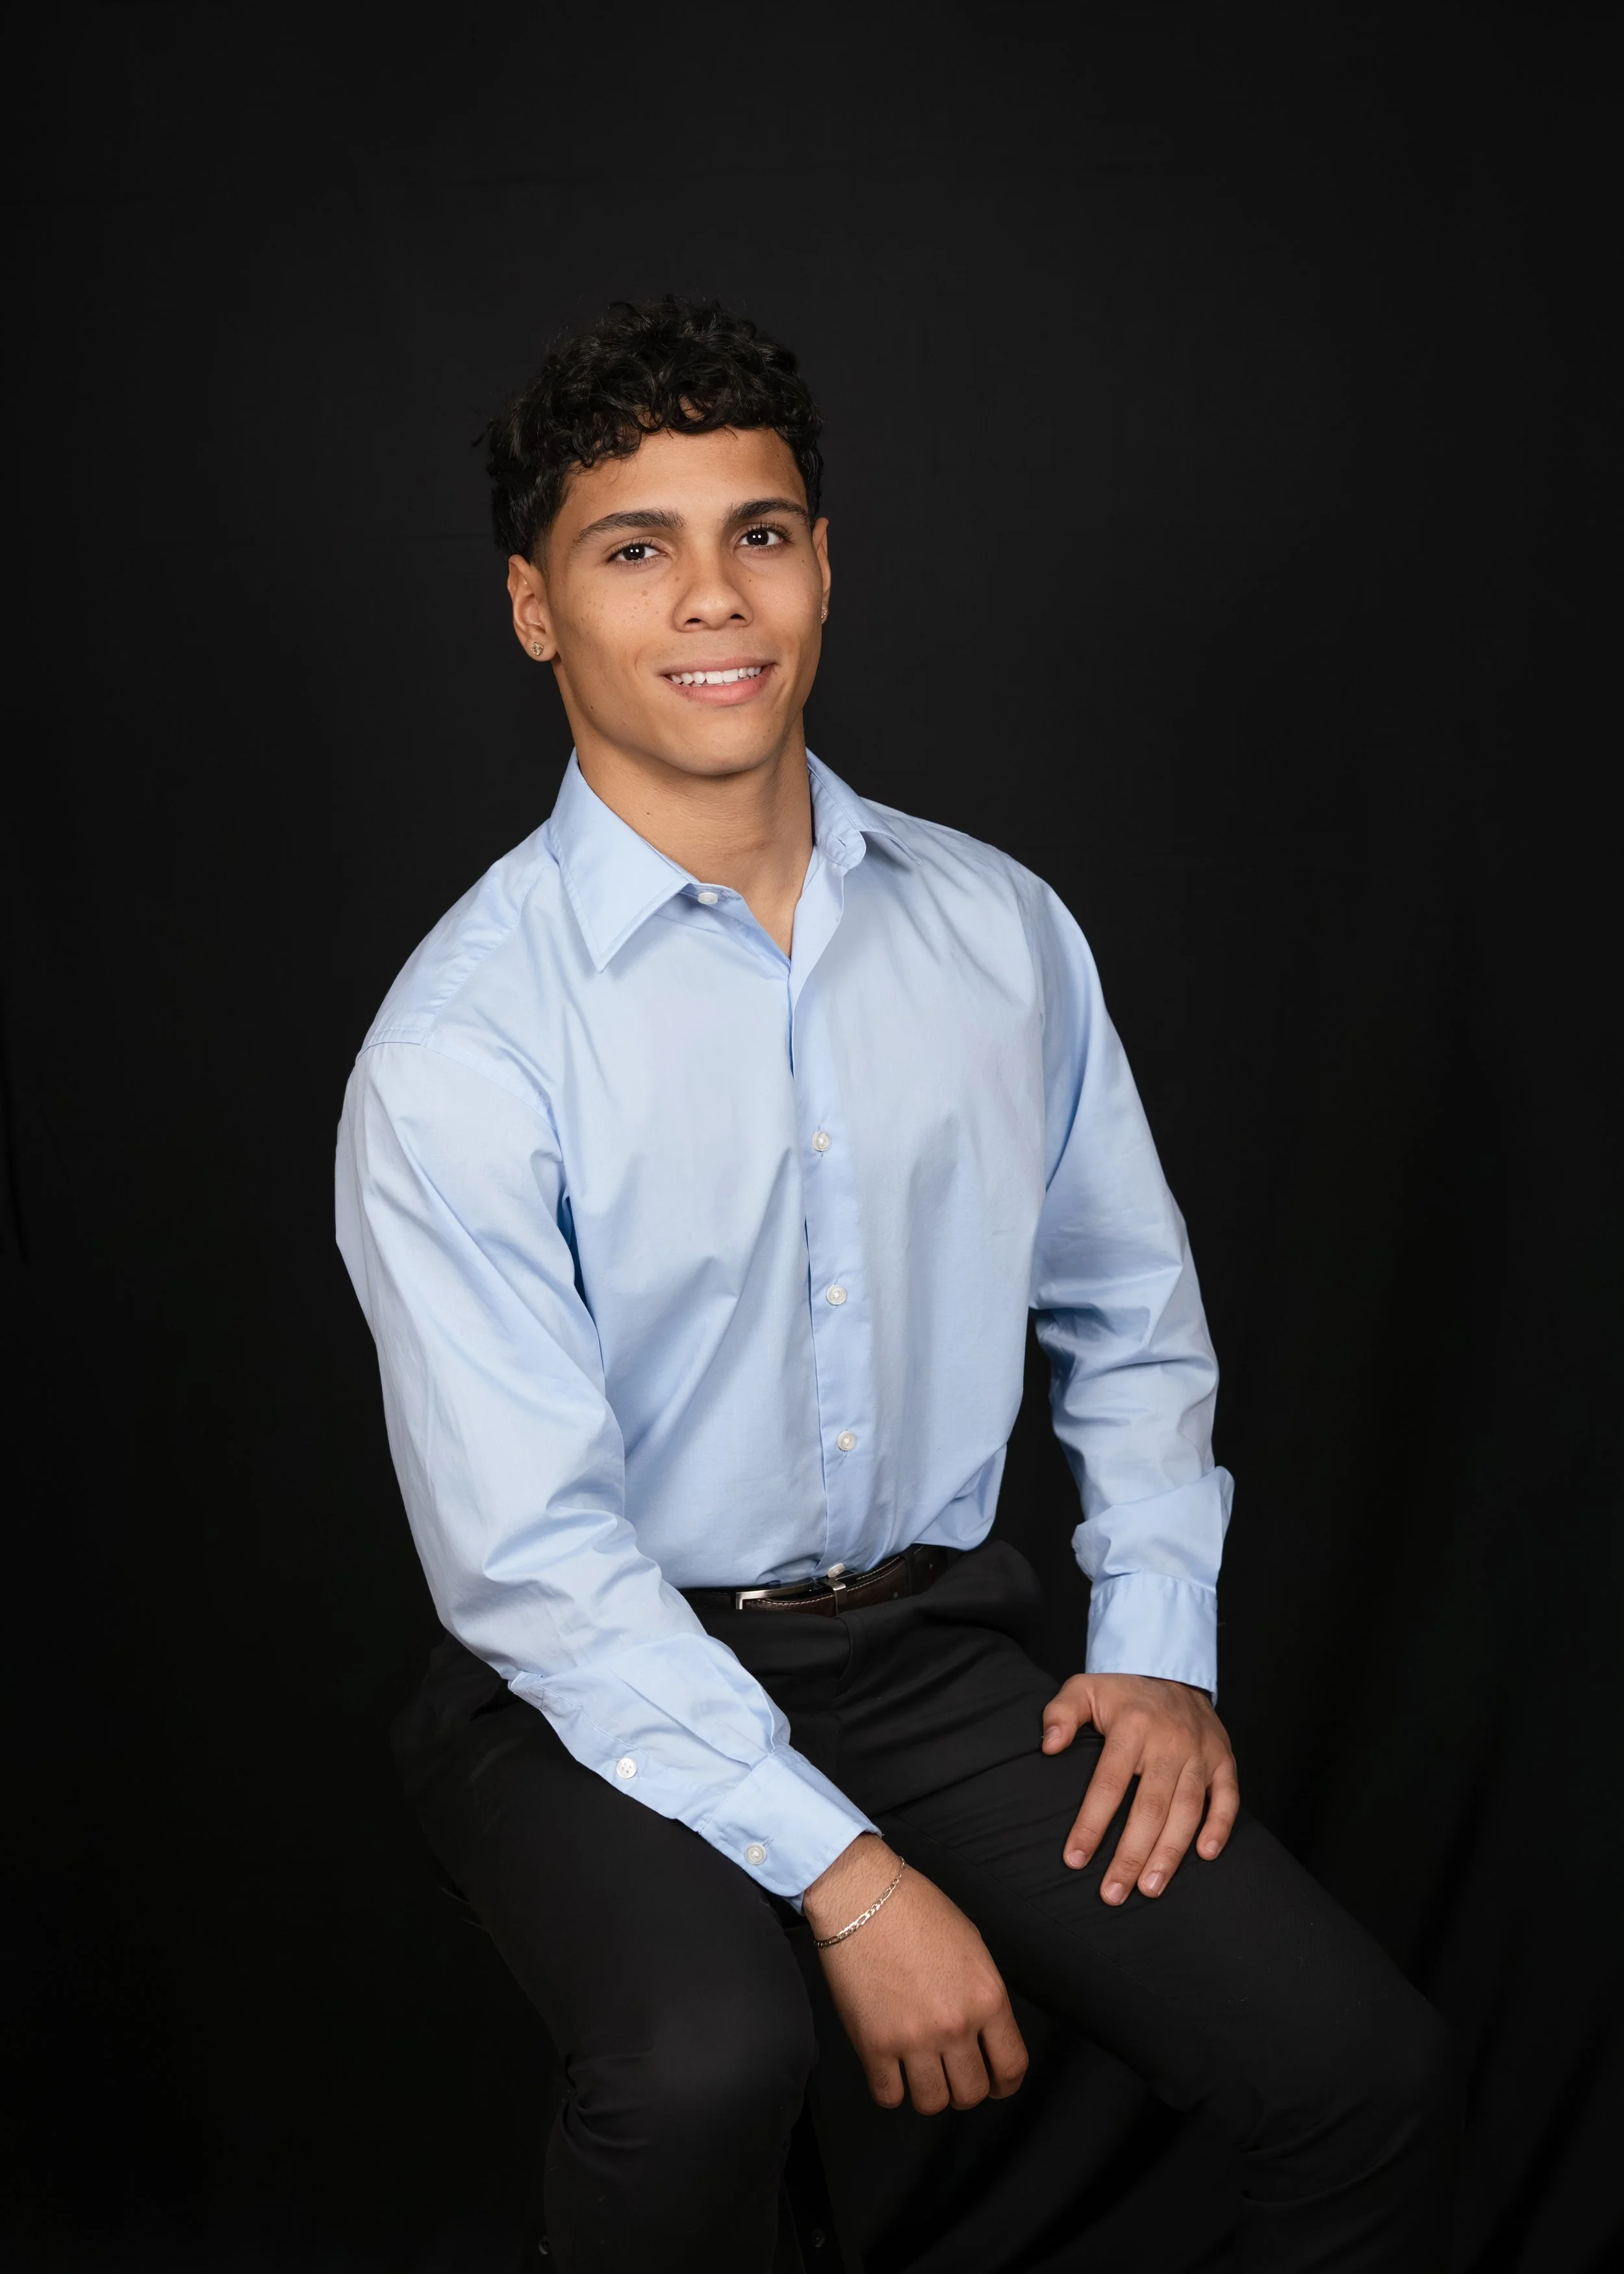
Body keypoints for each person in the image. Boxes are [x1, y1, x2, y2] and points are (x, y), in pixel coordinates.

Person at [335, 296, 1455, 2271]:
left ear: (824, 565)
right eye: (632, 547)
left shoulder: (997, 928)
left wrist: (1158, 1642)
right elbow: (534, 1564)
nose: (712, 598)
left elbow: (1131, 1311)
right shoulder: (461, 1045)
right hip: (579, 1670)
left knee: (1355, 2069)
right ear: (535, 609)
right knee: (704, 2063)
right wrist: (848, 1882)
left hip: (919, 1652)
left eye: (757, 532)